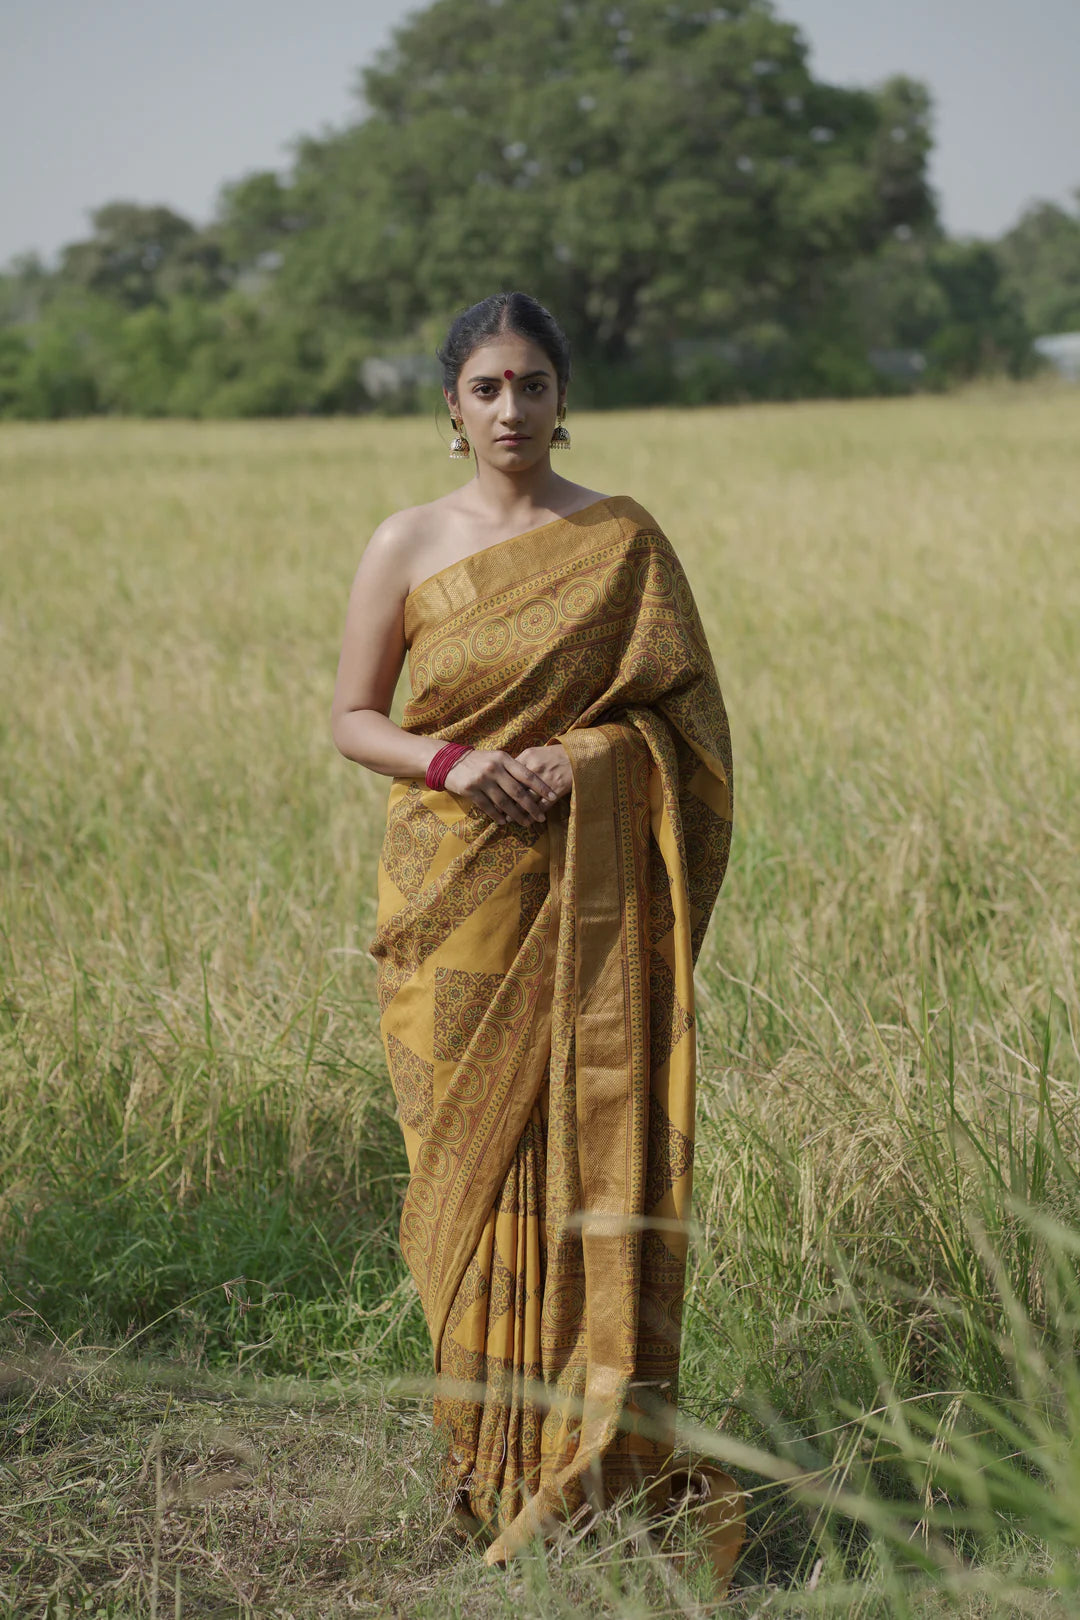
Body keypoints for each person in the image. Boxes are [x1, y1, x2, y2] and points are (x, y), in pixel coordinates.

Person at [331, 291, 742, 1577]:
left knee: (581, 1165)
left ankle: (582, 1462)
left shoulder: (621, 543)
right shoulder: (406, 542)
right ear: (451, 409)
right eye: (489, 388)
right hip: (452, 895)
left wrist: (591, 760)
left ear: (566, 398)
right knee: (459, 1186)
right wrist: (455, 764)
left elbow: (690, 728)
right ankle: (482, 1464)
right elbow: (352, 718)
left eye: (536, 384)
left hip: (587, 891)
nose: (514, 409)